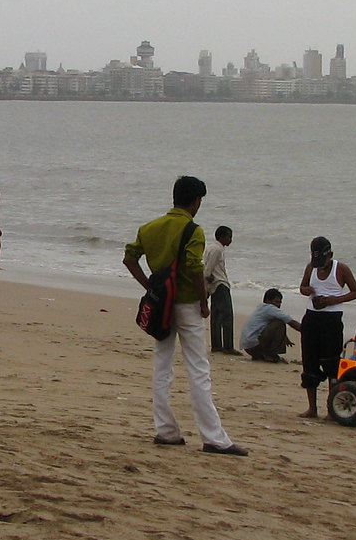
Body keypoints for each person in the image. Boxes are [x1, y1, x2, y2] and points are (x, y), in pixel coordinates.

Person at [122, 175, 244, 454]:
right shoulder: (194, 231)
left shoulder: (149, 228)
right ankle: (214, 437)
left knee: (162, 365)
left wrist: (151, 287)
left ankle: (165, 430)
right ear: (195, 201)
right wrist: (204, 302)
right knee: (198, 369)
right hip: (187, 305)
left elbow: (130, 258)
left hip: (161, 305)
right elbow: (193, 269)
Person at [297, 236, 356, 420]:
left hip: (331, 320)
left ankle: (332, 409)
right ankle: (312, 408)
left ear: (330, 255)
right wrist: (307, 290)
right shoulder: (311, 267)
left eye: (322, 261)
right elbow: (302, 287)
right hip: (311, 318)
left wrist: (334, 300)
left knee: (332, 364)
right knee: (309, 362)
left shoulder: (341, 269)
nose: (319, 265)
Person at [239, 288, 300, 361]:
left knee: (278, 321)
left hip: (248, 347)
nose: (279, 305)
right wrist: (308, 330)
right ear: (268, 301)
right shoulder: (270, 308)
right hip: (253, 346)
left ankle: (261, 355)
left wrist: (285, 337)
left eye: (280, 302)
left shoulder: (261, 308)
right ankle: (271, 355)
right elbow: (290, 321)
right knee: (280, 323)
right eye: (276, 302)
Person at [205, 225, 236, 355]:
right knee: (227, 315)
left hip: (214, 285)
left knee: (216, 315)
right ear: (222, 236)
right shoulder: (217, 250)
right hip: (220, 283)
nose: (230, 240)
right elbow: (208, 268)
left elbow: (204, 264)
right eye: (229, 237)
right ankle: (228, 346)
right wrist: (207, 277)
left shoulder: (210, 248)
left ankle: (217, 345)